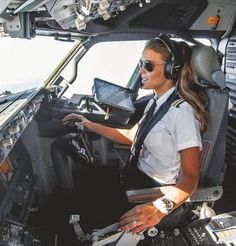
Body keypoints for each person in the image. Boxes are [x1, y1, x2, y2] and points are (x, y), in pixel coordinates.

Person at [59, 36, 209, 234]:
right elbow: (133, 135)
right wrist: (89, 125)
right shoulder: (156, 102)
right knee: (88, 182)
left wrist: (159, 208)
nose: (141, 71)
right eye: (141, 64)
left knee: (90, 206)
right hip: (134, 177)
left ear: (171, 69)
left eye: (148, 65)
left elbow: (190, 178)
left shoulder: (182, 113)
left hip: (153, 190)